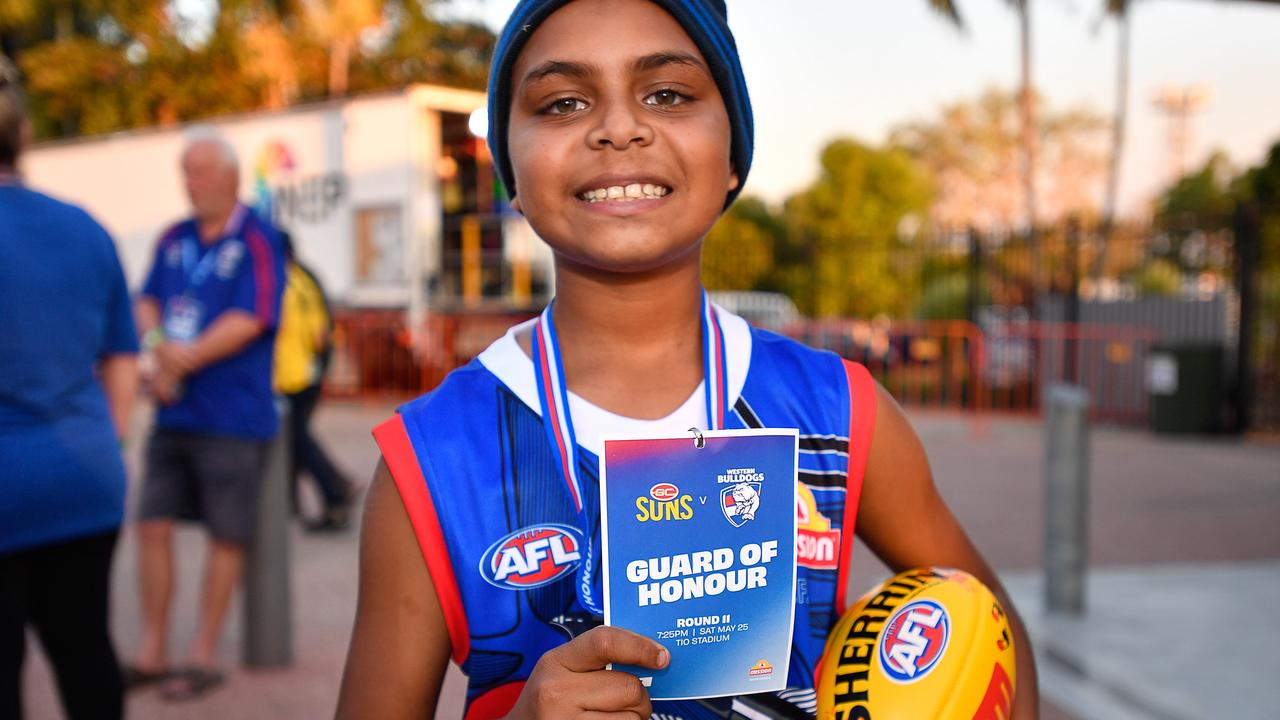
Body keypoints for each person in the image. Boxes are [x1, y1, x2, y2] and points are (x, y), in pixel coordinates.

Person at [337, 1, 1040, 718]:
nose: (619, 127)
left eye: (668, 94)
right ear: (510, 168)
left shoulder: (839, 409)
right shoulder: (430, 460)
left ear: (733, 151)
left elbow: (994, 630)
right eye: (563, 102)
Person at [0, 55, 139, 720]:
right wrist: (107, 441)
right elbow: (121, 358)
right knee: (86, 655)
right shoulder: (84, 229)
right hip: (83, 481)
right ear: (23, 135)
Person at [129, 128, 285, 701]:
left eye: (198, 173)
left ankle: (200, 653)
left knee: (226, 536)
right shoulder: (174, 236)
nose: (189, 185)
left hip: (232, 418)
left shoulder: (259, 238)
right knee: (150, 525)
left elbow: (253, 316)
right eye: (185, 173)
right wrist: (157, 341)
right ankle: (151, 650)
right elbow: (144, 298)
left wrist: (177, 362)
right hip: (174, 414)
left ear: (229, 178)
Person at [273, 231, 354, 531]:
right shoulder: (305, 279)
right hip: (307, 373)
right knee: (294, 440)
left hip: (286, 378)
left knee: (297, 441)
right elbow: (320, 334)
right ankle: (291, 501)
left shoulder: (280, 284)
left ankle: (336, 490)